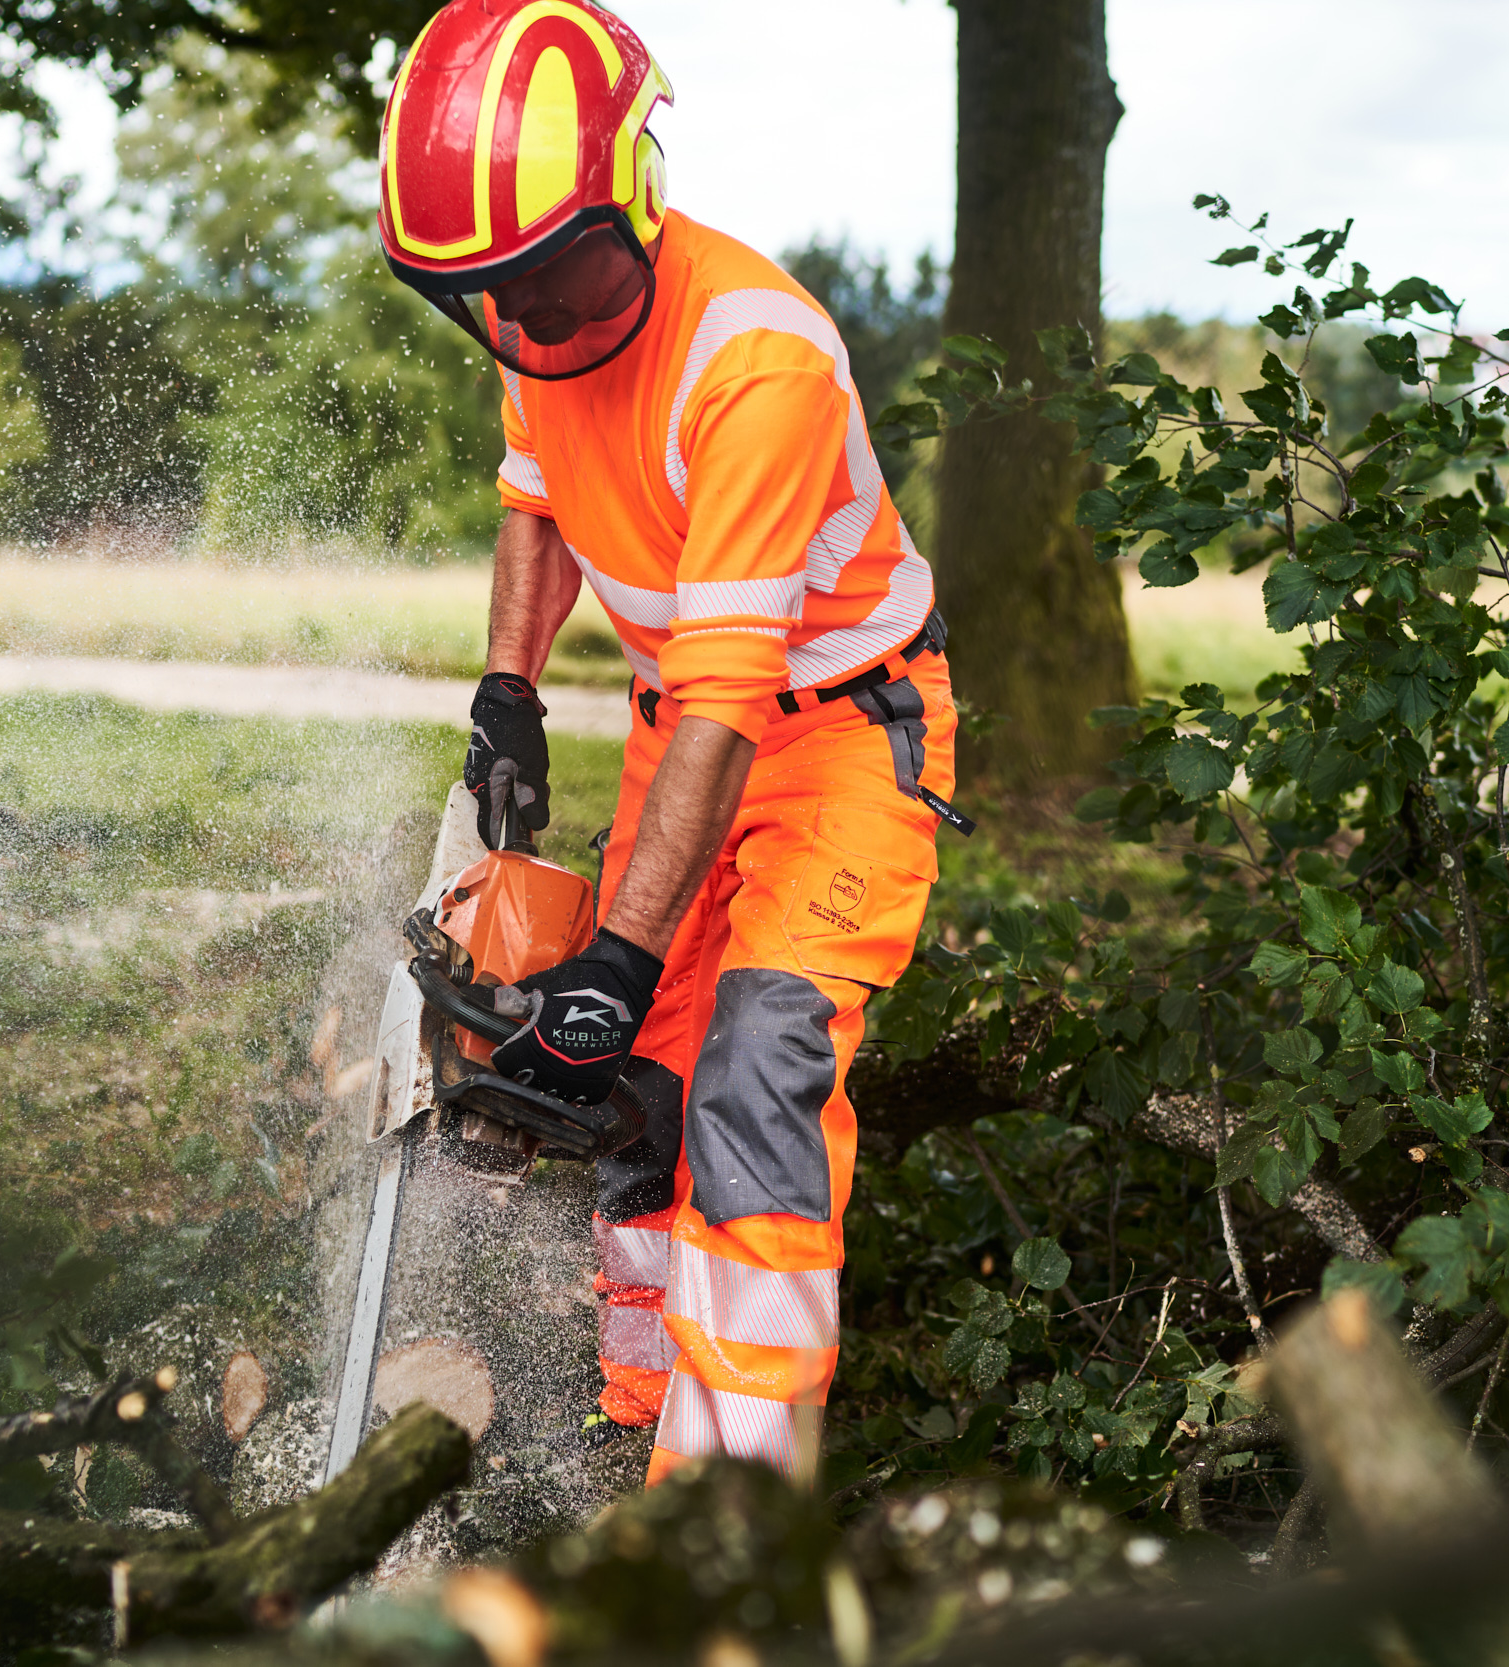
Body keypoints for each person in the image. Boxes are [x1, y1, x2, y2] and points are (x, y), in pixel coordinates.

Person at [376, 0, 965, 1487]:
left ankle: (736, 1498)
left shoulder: (753, 362)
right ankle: (640, 1406)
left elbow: (732, 692)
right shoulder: (532, 312)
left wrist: (619, 954)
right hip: (679, 723)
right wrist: (508, 693)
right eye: (493, 295)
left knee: (754, 1064)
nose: (530, 322)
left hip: (832, 734)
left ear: (628, 200)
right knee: (635, 1071)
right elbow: (535, 493)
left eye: (551, 281)